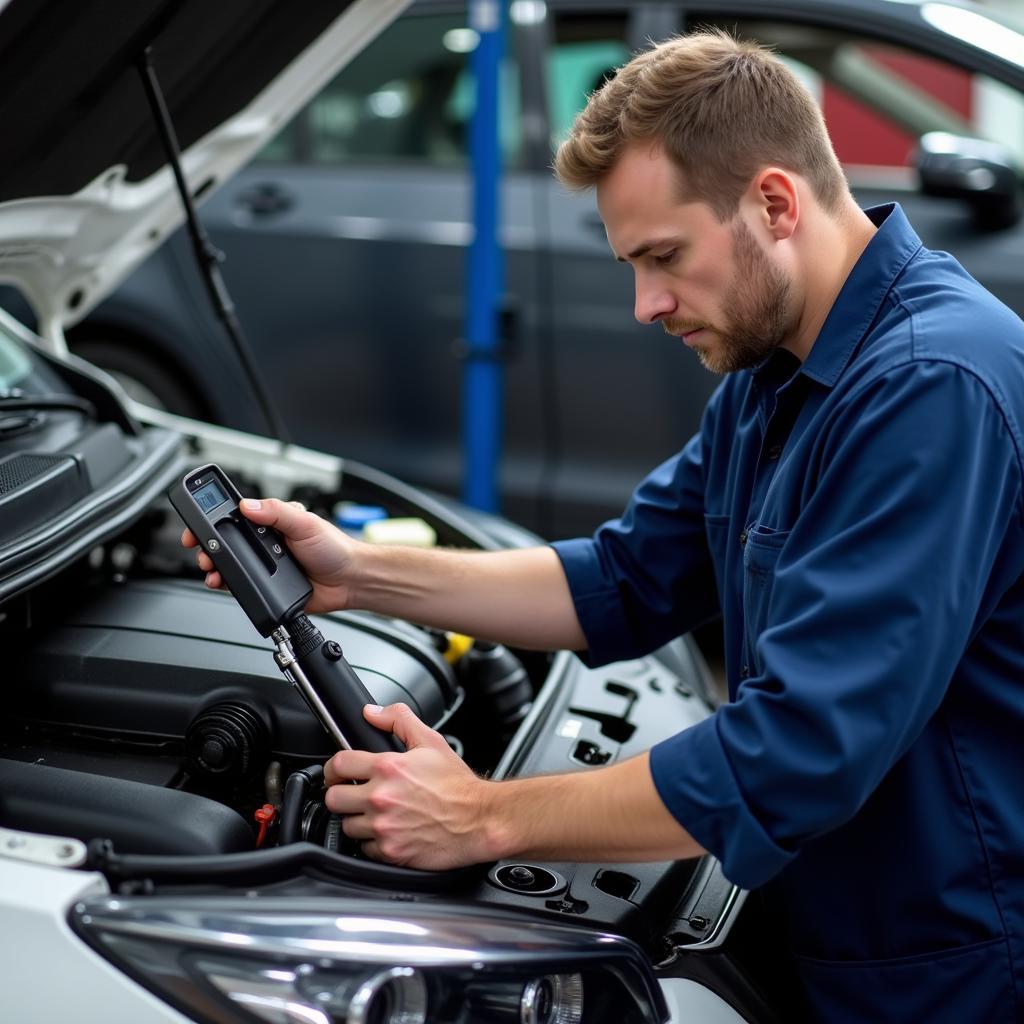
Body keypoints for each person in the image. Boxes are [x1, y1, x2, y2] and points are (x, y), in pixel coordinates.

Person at [184, 30, 1024, 1021]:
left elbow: (799, 748)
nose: (644, 304)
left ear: (774, 203)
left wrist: (482, 816)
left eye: (663, 257)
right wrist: (356, 573)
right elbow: (623, 579)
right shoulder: (777, 368)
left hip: (951, 959)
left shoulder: (929, 386)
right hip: (839, 918)